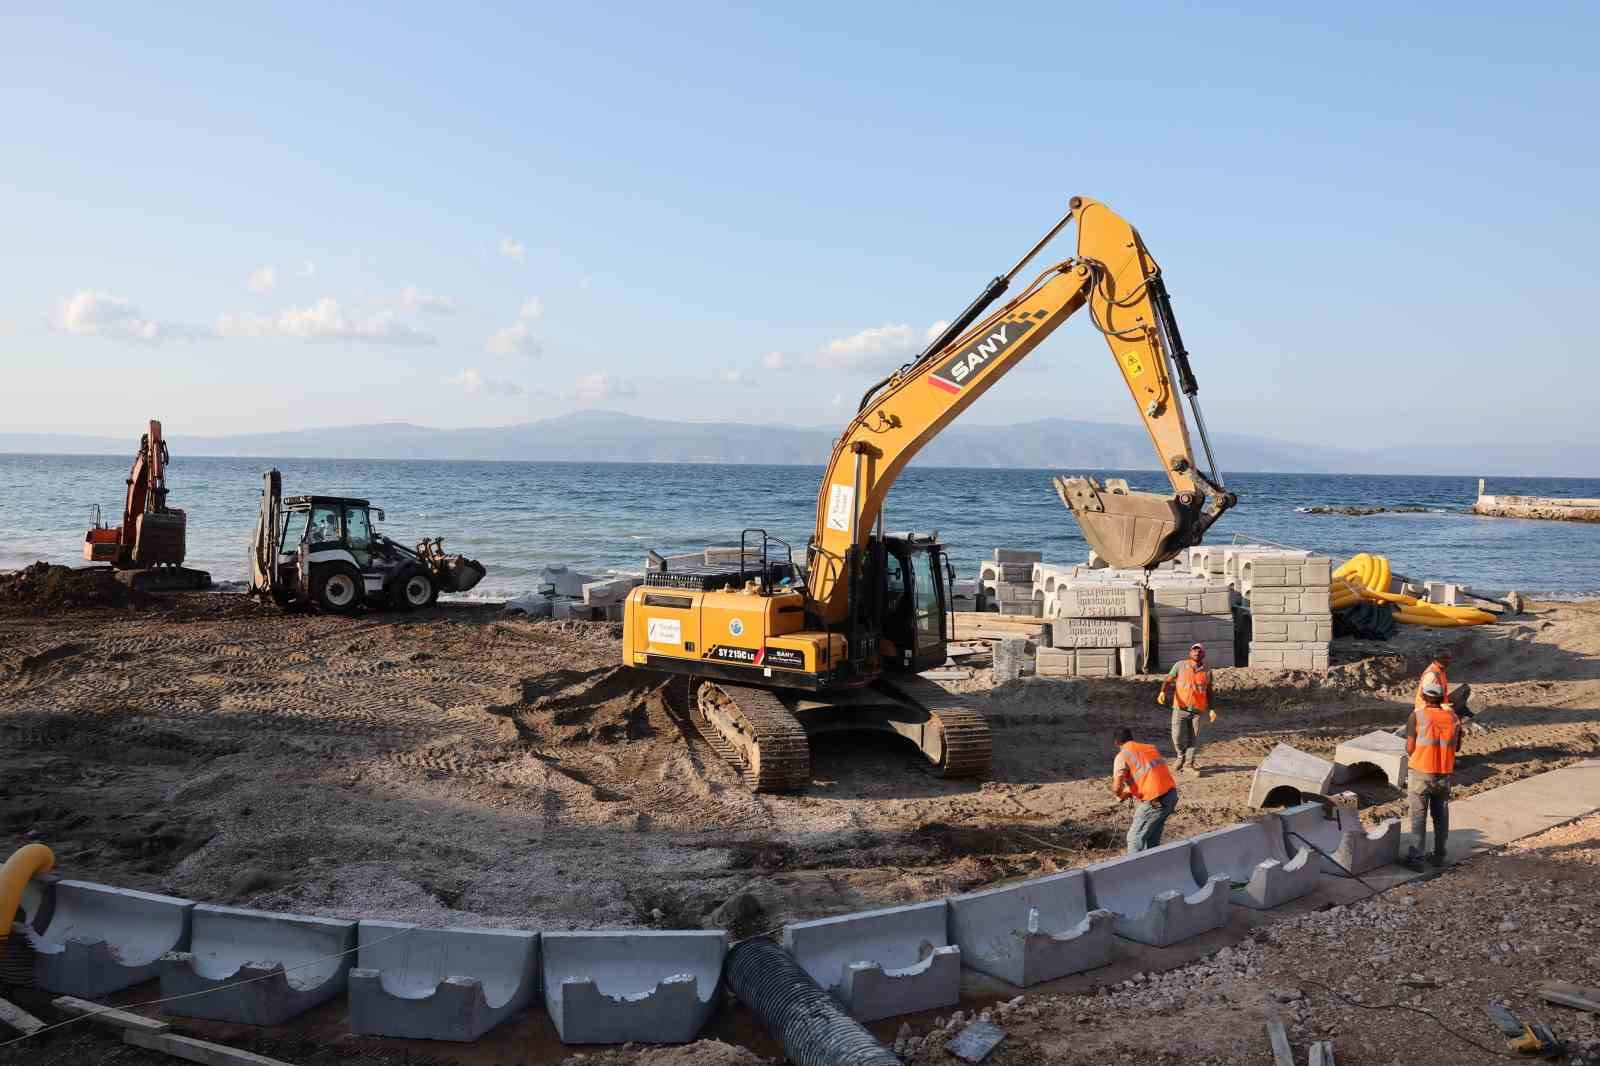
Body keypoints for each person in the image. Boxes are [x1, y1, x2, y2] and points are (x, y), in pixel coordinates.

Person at [1402, 679, 1462, 869]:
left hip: (1421, 773)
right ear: (1442, 698)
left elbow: (1410, 747)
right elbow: (1458, 747)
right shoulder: (1453, 718)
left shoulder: (1417, 717)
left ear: (1424, 697)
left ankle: (1416, 859)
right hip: (1443, 774)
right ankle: (1439, 856)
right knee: (1441, 817)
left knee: (1418, 818)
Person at [1111, 726, 1179, 854]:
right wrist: (1129, 791)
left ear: (1116, 743)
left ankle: (1134, 870)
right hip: (1171, 795)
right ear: (1132, 738)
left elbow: (1116, 788)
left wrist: (1120, 794)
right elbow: (1148, 774)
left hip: (1156, 801)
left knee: (1134, 838)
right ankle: (1152, 868)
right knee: (1151, 839)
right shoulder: (1149, 748)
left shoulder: (1122, 756)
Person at [1156, 642, 1214, 773]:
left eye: (1199, 651)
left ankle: (1188, 763)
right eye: (1194, 650)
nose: (1197, 653)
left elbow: (1209, 692)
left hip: (1198, 710)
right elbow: (1167, 680)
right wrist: (1162, 692)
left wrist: (1212, 709)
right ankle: (1180, 756)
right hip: (1180, 708)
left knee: (1193, 738)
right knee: (1176, 736)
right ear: (1190, 652)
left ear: (1203, 654)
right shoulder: (1180, 665)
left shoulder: (1208, 671)